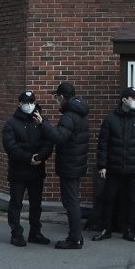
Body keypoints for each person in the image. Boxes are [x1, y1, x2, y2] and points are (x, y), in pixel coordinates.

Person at [93, 87, 135, 242]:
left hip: (133, 168)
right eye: (133, 98)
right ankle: (106, 229)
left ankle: (129, 230)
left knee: (131, 200)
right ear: (124, 100)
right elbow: (103, 144)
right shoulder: (110, 120)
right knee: (109, 199)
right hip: (113, 167)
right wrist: (102, 165)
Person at [40, 81, 90, 249]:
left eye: (56, 97)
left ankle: (75, 239)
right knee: (72, 200)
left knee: (71, 202)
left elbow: (60, 138)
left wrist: (43, 123)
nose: (56, 100)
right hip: (76, 163)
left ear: (62, 96)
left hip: (70, 165)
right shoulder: (80, 114)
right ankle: (76, 237)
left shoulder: (69, 116)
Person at [2, 90, 53, 247]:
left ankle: (35, 232)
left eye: (31, 102)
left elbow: (49, 142)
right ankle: (16, 233)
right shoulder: (11, 124)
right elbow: (11, 147)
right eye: (26, 102)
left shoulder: (41, 121)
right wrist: (28, 158)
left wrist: (40, 157)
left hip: (37, 171)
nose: (29, 105)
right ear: (20, 104)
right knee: (16, 203)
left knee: (36, 204)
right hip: (18, 171)